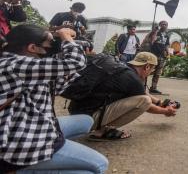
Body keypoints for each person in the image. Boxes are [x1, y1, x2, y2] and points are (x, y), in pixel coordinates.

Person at [0, 24, 108, 173]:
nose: (54, 45)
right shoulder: (14, 65)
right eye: (51, 42)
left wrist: (65, 60)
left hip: (30, 123)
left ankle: (45, 163)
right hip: (19, 145)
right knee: (99, 165)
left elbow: (55, 89)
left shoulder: (25, 64)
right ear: (32, 47)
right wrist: (66, 37)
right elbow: (76, 62)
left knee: (86, 121)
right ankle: (23, 168)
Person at [68, 52, 177, 141]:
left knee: (143, 98)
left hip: (75, 113)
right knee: (145, 101)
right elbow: (146, 103)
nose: (151, 73)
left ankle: (99, 127)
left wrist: (159, 102)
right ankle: (102, 131)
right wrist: (166, 111)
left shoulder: (122, 69)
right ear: (147, 66)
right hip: (89, 120)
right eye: (152, 70)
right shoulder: (133, 80)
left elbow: (140, 91)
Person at [149, 20, 170, 94]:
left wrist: (168, 52)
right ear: (160, 25)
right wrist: (155, 31)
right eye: (163, 24)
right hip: (153, 55)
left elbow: (167, 45)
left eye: (166, 24)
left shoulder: (167, 35)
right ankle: (142, 86)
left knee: (157, 73)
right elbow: (151, 41)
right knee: (148, 70)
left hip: (162, 56)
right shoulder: (155, 33)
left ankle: (153, 88)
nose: (164, 26)